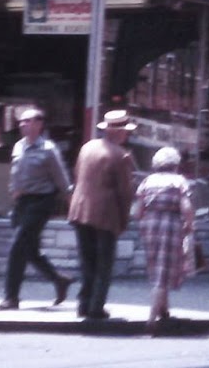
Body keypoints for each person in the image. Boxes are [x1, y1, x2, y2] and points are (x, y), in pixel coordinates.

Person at [0, 107, 75, 311]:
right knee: (29, 250)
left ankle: (11, 297)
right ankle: (58, 280)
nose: (22, 125)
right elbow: (15, 173)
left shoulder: (48, 149)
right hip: (22, 203)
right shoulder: (18, 146)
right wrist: (14, 191)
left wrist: (71, 204)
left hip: (41, 202)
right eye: (21, 122)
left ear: (39, 124)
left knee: (17, 247)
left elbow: (62, 178)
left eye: (27, 121)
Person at [68, 109, 137, 322]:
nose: (127, 135)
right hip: (106, 215)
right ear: (118, 132)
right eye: (126, 131)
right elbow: (125, 193)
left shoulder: (87, 148)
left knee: (87, 260)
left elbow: (77, 174)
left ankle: (83, 303)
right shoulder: (121, 156)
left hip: (80, 210)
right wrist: (124, 221)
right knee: (103, 263)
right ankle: (96, 307)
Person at [133, 146, 196, 332]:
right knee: (164, 269)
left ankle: (164, 310)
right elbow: (186, 206)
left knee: (156, 265)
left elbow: (138, 211)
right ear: (175, 164)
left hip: (150, 224)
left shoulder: (147, 181)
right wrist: (189, 224)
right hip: (170, 223)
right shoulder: (178, 181)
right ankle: (152, 318)